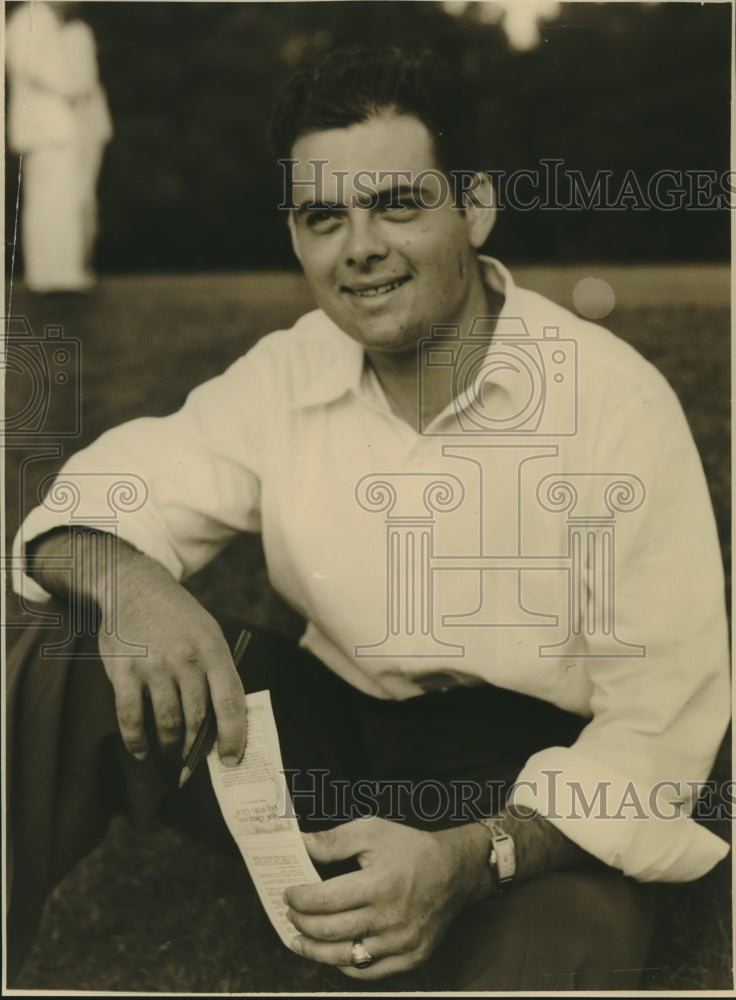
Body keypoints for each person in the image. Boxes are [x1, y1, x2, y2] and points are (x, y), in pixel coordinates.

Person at [8, 46, 730, 990]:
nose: (361, 249)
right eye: (324, 217)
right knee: (60, 651)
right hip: (332, 734)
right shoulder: (291, 369)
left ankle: (450, 899)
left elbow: (658, 736)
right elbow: (94, 500)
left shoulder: (614, 407)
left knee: (559, 948)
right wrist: (132, 585)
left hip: (526, 778)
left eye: (398, 203)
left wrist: (476, 858)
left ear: (474, 206)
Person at [5, 0, 112, 294]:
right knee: (50, 202)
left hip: (56, 128)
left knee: (59, 202)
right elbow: (28, 62)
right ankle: (51, 274)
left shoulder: (44, 19)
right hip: (47, 127)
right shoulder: (32, 17)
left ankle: (59, 271)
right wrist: (71, 84)